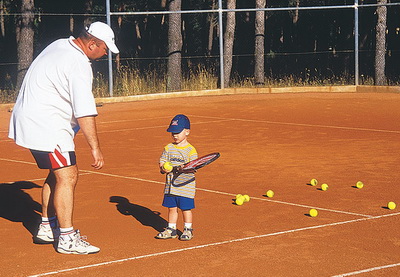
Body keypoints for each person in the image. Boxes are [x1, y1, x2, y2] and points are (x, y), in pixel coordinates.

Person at [8, 21, 119, 254]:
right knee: (68, 175)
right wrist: (95, 148)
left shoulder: (59, 45)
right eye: (104, 47)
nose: (106, 52)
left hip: (33, 119)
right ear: (91, 44)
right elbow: (84, 112)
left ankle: (47, 227)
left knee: (57, 173)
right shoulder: (78, 63)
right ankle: (67, 238)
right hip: (47, 126)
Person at [157, 114, 198, 241]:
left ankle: (188, 229)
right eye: (172, 132)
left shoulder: (191, 151)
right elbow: (162, 162)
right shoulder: (168, 148)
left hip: (185, 187)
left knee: (186, 209)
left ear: (187, 132)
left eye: (177, 132)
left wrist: (183, 168)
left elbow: (193, 167)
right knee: (172, 208)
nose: (174, 135)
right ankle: (171, 229)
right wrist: (163, 167)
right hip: (171, 187)